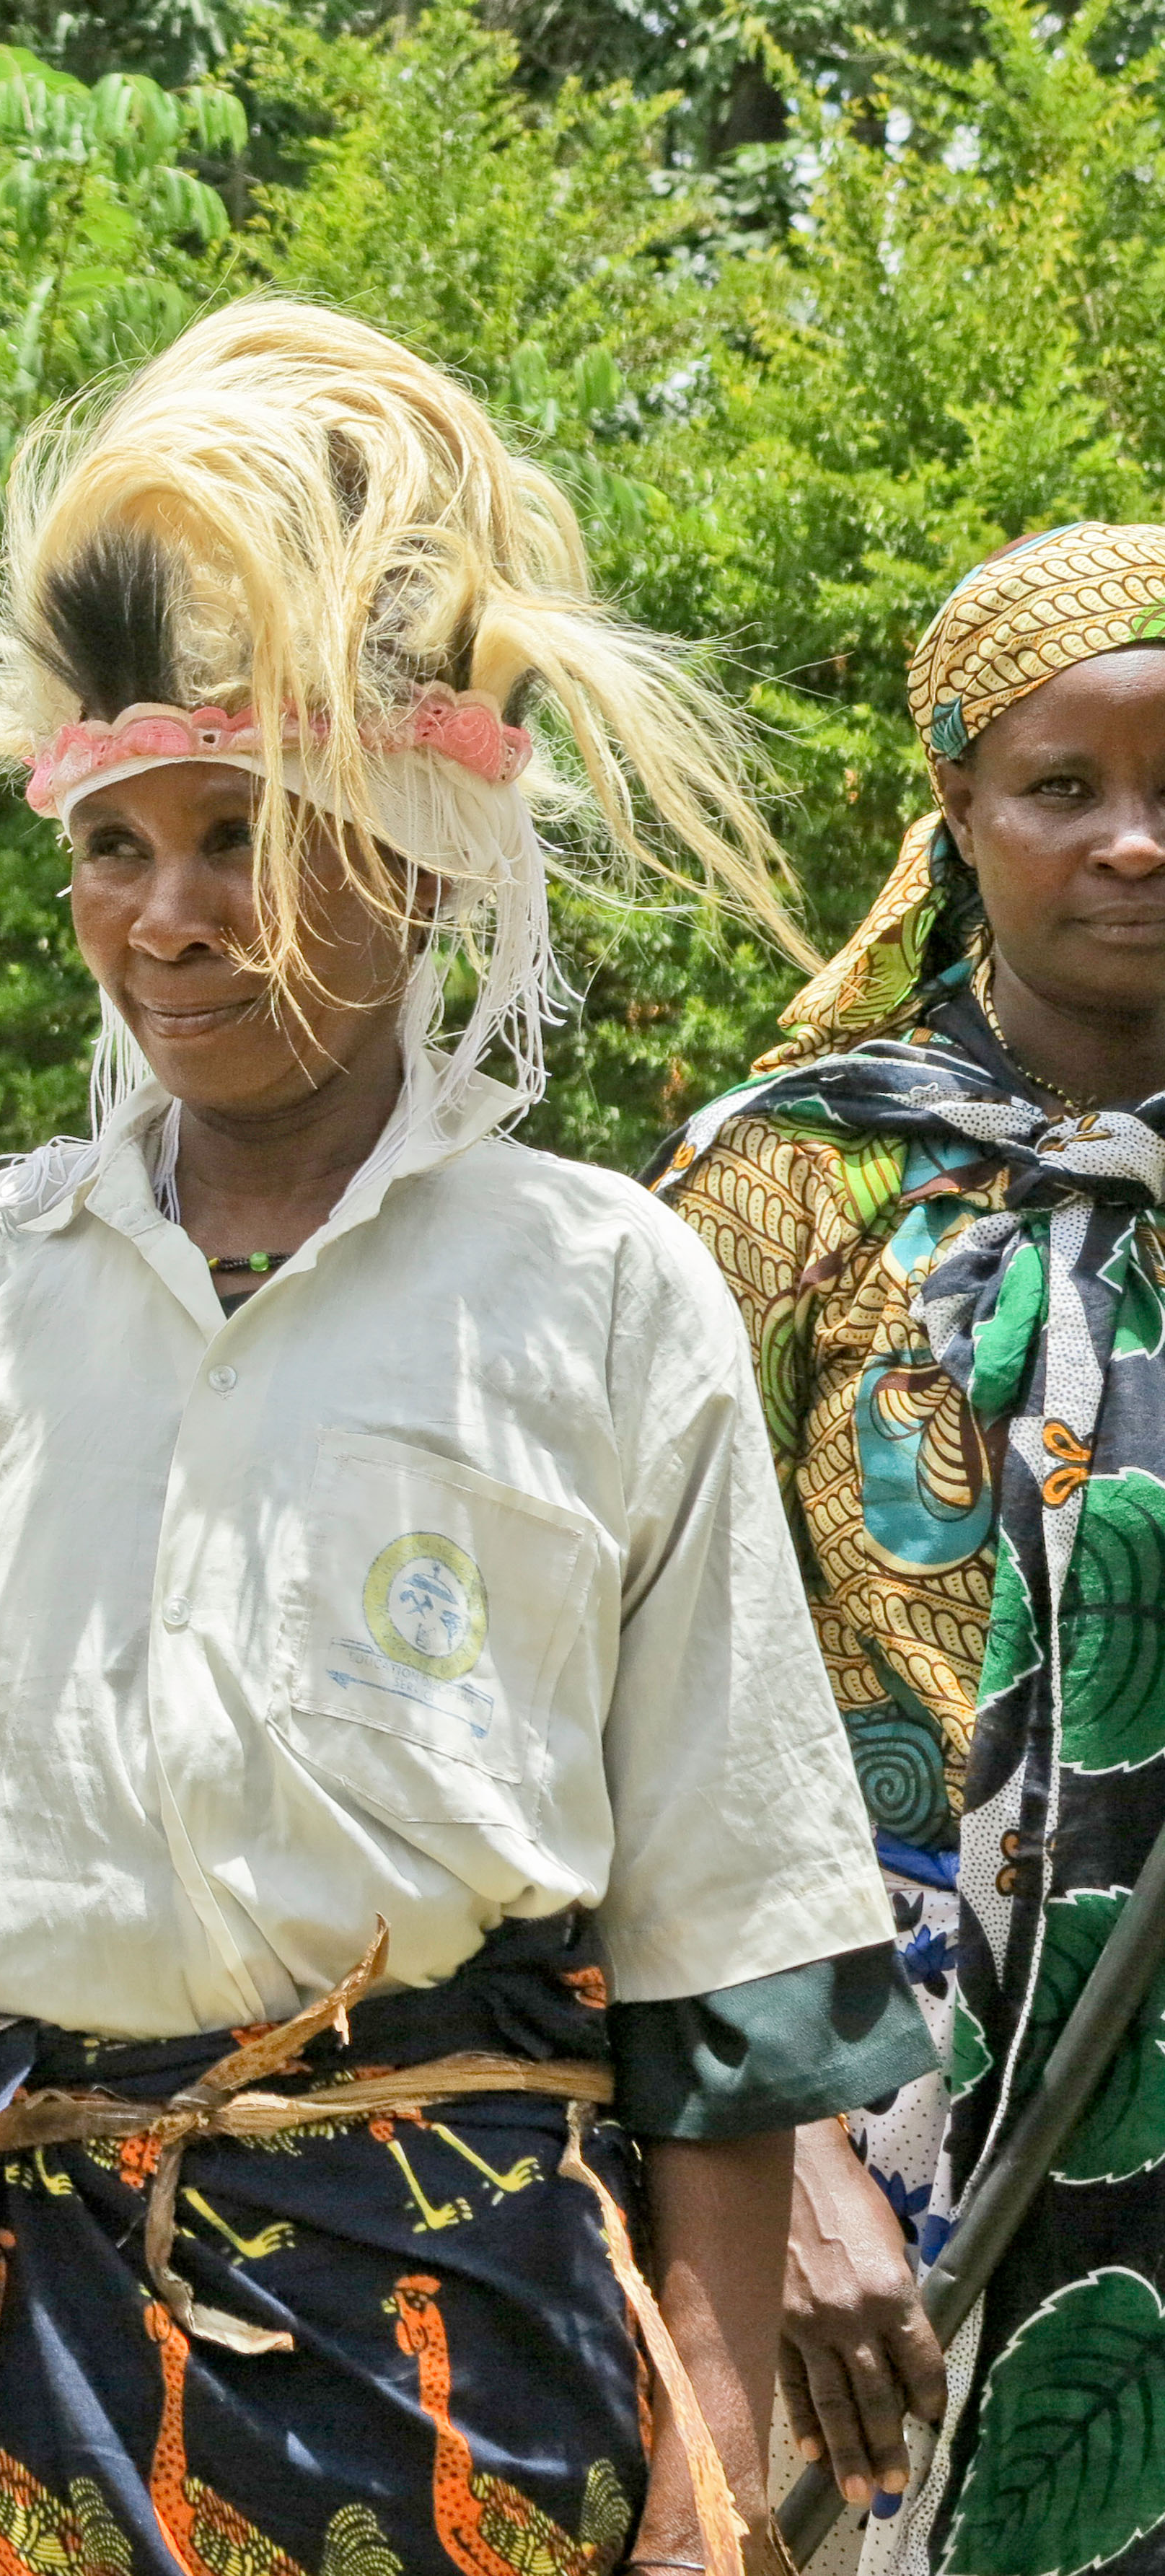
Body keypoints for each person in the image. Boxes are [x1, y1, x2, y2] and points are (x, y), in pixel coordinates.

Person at [0, 299, 931, 2576]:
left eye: (245, 840)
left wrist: (698, 2512)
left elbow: (722, 1950)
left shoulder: (591, 1288)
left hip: (459, 2327)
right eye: (117, 848)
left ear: (411, 860)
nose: (167, 920)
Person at [651, 523, 1165, 2576]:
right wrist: (774, 2157)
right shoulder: (778, 1180)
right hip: (871, 2158)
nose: (1133, 842)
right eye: (1063, 788)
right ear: (953, 803)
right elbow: (626, 1704)